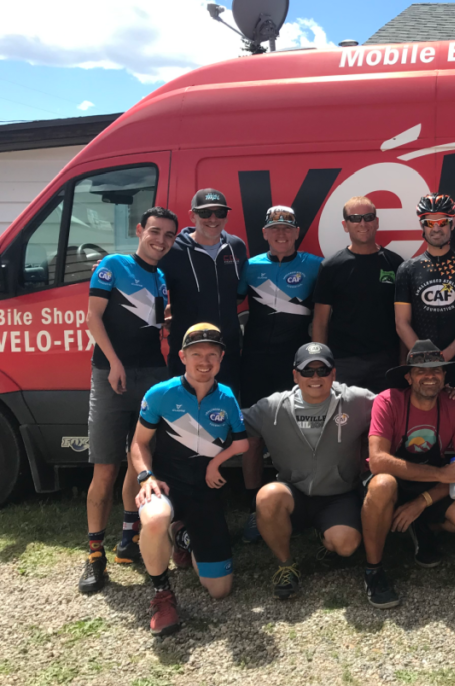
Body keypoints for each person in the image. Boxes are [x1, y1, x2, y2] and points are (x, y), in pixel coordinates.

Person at [78, 207, 178, 594]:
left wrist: (165, 320)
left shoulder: (161, 277)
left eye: (169, 235)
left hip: (152, 375)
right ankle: (94, 555)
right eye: (155, 232)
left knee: (141, 463)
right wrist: (115, 363)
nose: (162, 240)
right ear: (139, 230)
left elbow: (149, 319)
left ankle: (127, 540)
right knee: (104, 468)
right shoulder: (113, 264)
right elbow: (94, 318)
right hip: (111, 375)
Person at [131, 324, 249, 637]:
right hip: (166, 484)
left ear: (222, 358)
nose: (204, 361)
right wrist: (146, 477)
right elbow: (139, 444)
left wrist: (215, 465)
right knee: (155, 518)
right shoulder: (161, 393)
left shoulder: (227, 398)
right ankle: (162, 595)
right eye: (196, 354)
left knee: (220, 590)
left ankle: (182, 535)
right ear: (182, 356)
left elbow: (241, 443)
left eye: (212, 354)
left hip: (205, 492)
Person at [244, 343, 374, 599]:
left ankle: (324, 531)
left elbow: (396, 406)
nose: (315, 377)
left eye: (322, 370)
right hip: (294, 493)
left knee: (346, 546)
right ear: (295, 375)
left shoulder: (356, 400)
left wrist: (443, 393)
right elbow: (229, 420)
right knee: (267, 496)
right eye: (307, 371)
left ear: (333, 374)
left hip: (339, 495)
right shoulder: (271, 407)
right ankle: (285, 565)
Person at [362, 340, 455, 608]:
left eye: (437, 370)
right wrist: (441, 474)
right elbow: (378, 461)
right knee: (382, 483)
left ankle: (421, 525)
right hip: (394, 484)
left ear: (444, 376)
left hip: (430, 489)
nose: (430, 376)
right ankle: (373, 571)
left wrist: (422, 502)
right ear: (408, 376)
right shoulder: (387, 401)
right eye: (421, 370)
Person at [395, 193, 455, 493]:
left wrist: (445, 357)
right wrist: (427, 361)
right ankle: (422, 501)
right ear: (422, 226)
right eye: (429, 222)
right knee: (416, 438)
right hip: (421, 369)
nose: (436, 228)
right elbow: (401, 322)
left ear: (452, 223)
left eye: (442, 222)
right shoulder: (407, 270)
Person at [240, 206, 323, 543]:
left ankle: (303, 504)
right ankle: (252, 508)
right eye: (275, 229)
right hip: (255, 361)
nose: (281, 235)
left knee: (300, 435)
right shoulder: (250, 266)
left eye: (287, 229)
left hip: (297, 364)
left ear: (297, 232)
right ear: (264, 233)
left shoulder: (316, 265)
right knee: (252, 438)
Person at [159, 188, 248, 395]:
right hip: (189, 352)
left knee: (226, 414)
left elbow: (236, 295)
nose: (213, 219)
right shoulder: (173, 251)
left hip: (226, 351)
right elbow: (145, 273)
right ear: (192, 215)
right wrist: (112, 267)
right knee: (186, 416)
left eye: (220, 213)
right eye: (205, 213)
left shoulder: (236, 247)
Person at [312, 196, 403, 394]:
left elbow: (404, 319)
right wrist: (319, 363)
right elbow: (320, 322)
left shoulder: (395, 264)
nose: (362, 223)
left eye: (368, 217)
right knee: (344, 422)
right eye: (355, 218)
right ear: (346, 225)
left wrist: (403, 362)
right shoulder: (331, 267)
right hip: (344, 362)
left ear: (376, 222)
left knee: (386, 421)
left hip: (386, 361)